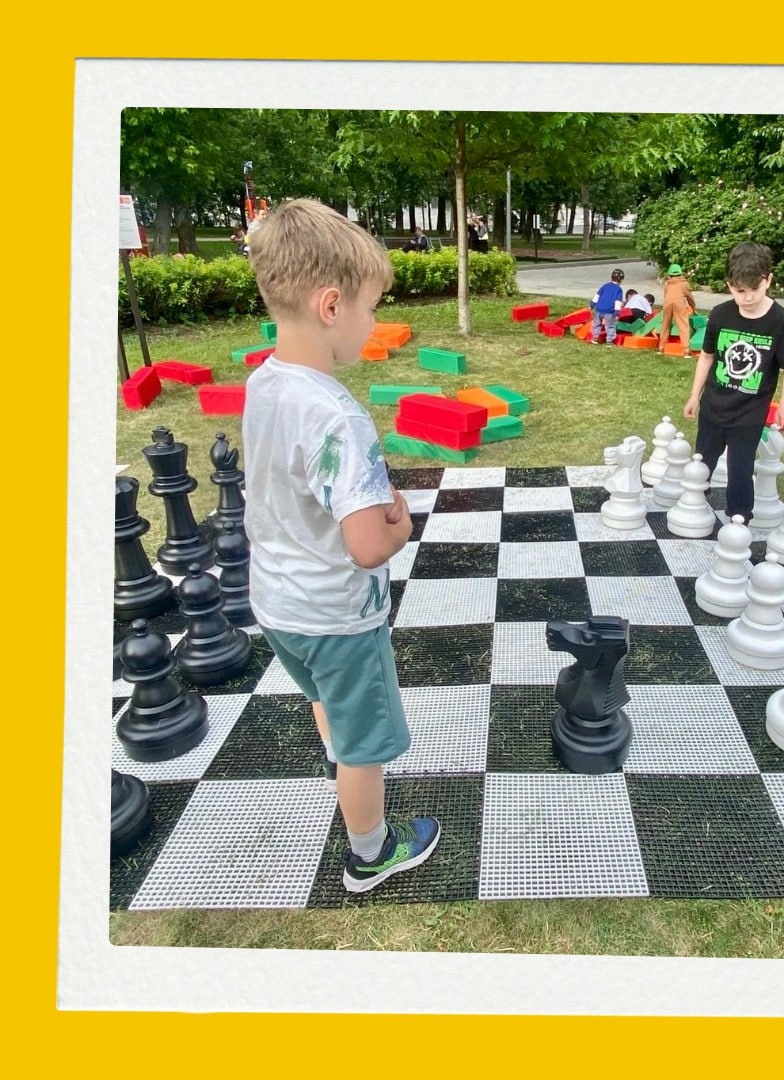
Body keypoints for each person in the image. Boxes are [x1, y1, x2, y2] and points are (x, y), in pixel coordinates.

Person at [244, 199, 440, 894]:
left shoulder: (264, 380)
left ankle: (340, 755)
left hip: (277, 604)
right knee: (366, 745)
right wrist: (400, 526)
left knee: (325, 699)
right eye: (371, 308)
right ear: (331, 305)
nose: (374, 322)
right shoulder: (337, 415)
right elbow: (366, 548)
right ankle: (371, 852)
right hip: (337, 616)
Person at [682, 241, 784, 526]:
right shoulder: (720, 315)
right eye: (739, 291)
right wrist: (694, 395)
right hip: (713, 406)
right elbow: (707, 356)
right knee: (702, 460)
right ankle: (695, 503)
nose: (747, 298)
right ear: (729, 285)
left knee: (740, 469)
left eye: (754, 289)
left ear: (768, 280)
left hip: (749, 414)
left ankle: (739, 519)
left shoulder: (781, 322)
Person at [656, 263, 696, 357]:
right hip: (679, 304)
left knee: (665, 324)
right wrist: (693, 307)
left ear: (669, 275)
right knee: (683, 324)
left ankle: (661, 347)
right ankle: (686, 350)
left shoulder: (667, 284)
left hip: (667, 304)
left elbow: (666, 296)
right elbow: (690, 297)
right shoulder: (684, 284)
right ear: (680, 274)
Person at [589, 267, 625, 345]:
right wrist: (617, 313)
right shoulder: (618, 289)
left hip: (599, 309)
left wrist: (592, 305)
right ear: (621, 280)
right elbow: (618, 302)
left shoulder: (605, 286)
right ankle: (609, 341)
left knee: (597, 324)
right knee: (610, 325)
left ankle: (595, 338)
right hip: (609, 311)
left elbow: (597, 295)